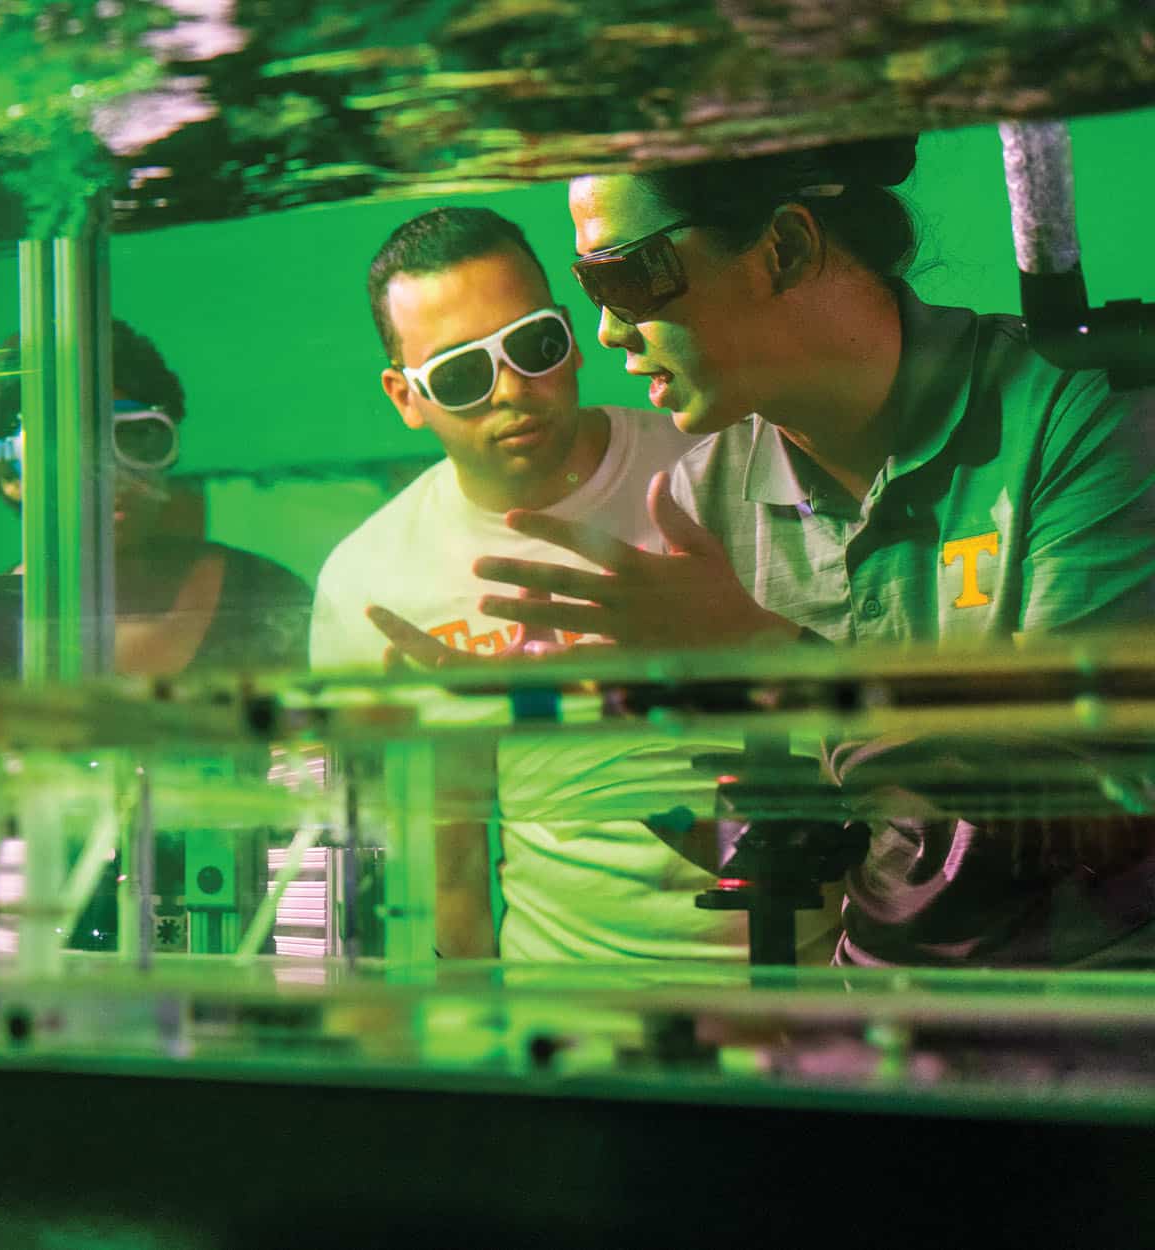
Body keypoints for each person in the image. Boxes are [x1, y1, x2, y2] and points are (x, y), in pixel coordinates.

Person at [475, 135, 1155, 966]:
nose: (608, 329)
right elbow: (789, 846)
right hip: (885, 1048)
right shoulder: (708, 501)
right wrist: (588, 750)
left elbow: (1093, 826)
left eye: (622, 276)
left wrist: (769, 658)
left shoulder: (1081, 417)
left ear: (785, 247)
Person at [311, 207, 834, 961]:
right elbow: (439, 869)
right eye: (460, 373)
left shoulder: (722, 462)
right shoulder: (371, 582)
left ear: (572, 334)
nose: (511, 389)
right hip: (563, 1022)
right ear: (404, 397)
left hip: (806, 994)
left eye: (534, 345)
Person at [0, 318, 312, 676]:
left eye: (135, 439)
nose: (110, 476)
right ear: (9, 477)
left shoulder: (262, 594)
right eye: (66, 453)